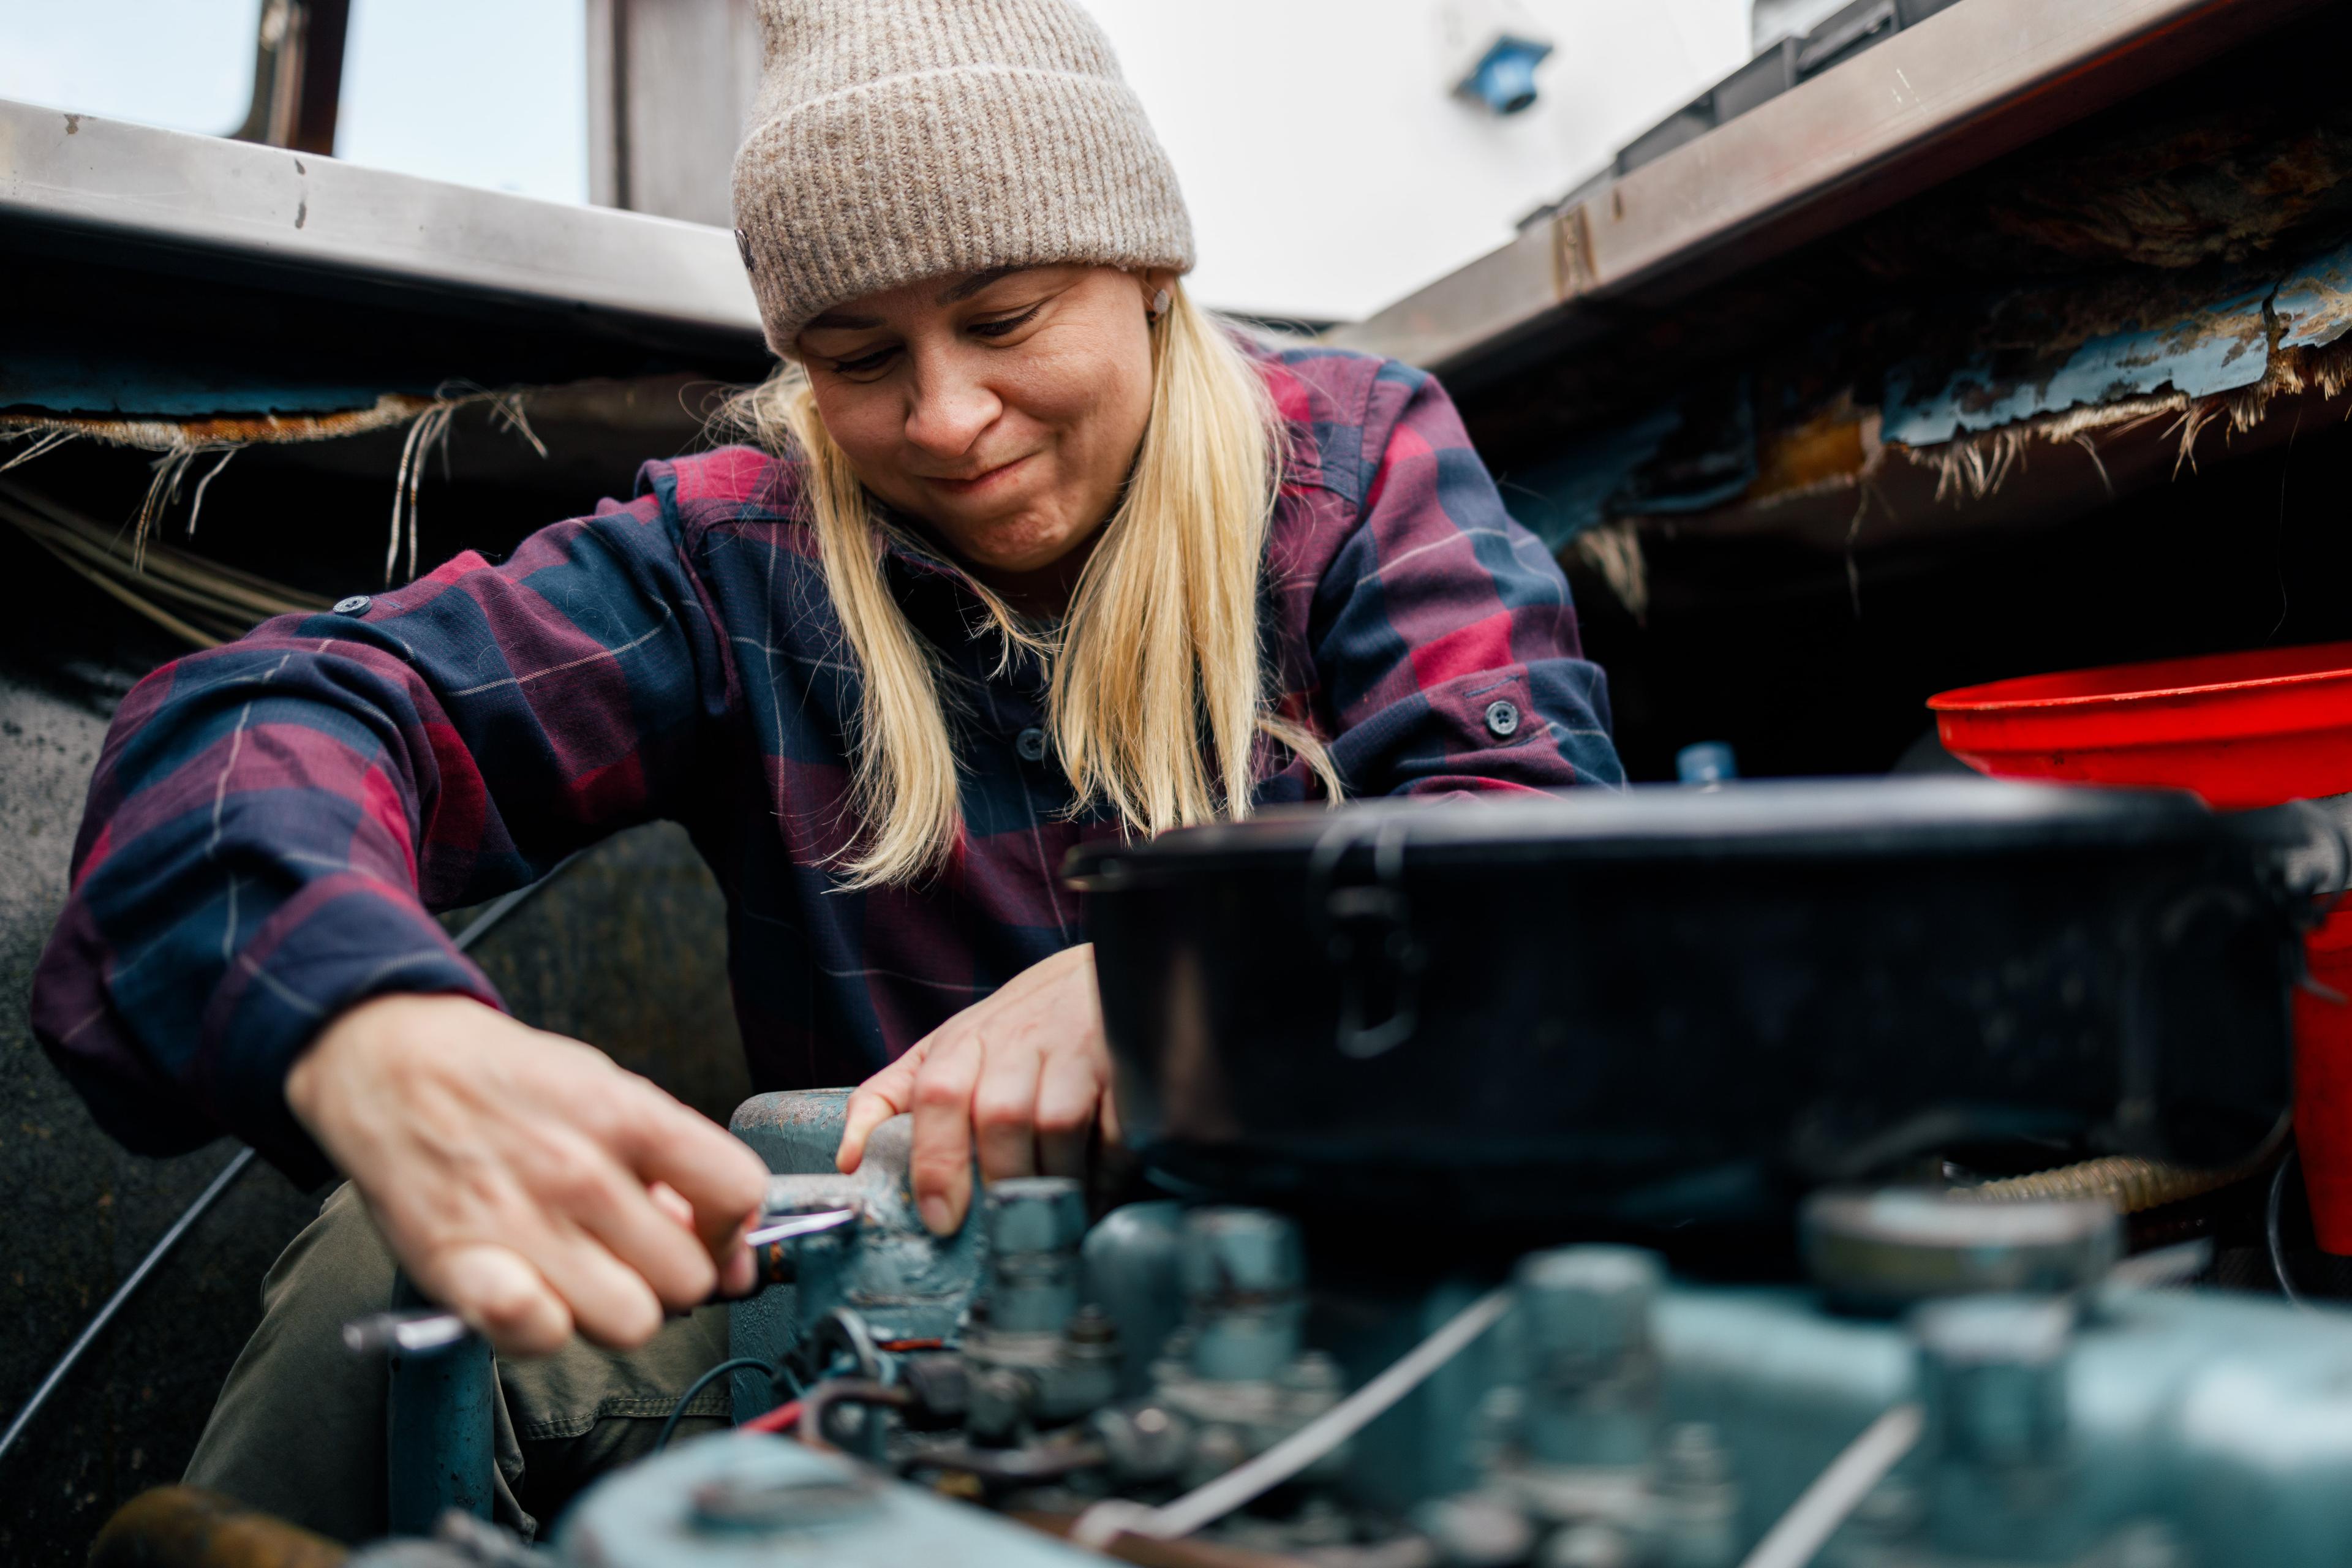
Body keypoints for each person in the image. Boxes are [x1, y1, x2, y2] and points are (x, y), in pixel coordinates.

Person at [31, 0, 1623, 1540]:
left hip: (1362, 1298)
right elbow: (262, 720)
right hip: (912, 1322)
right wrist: (362, 1025)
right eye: (859, 357)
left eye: (1003, 319)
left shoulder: (1359, 466)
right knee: (388, 1257)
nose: (946, 418)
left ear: (1145, 267)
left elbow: (1544, 858)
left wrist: (1185, 975)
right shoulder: (734, 557)